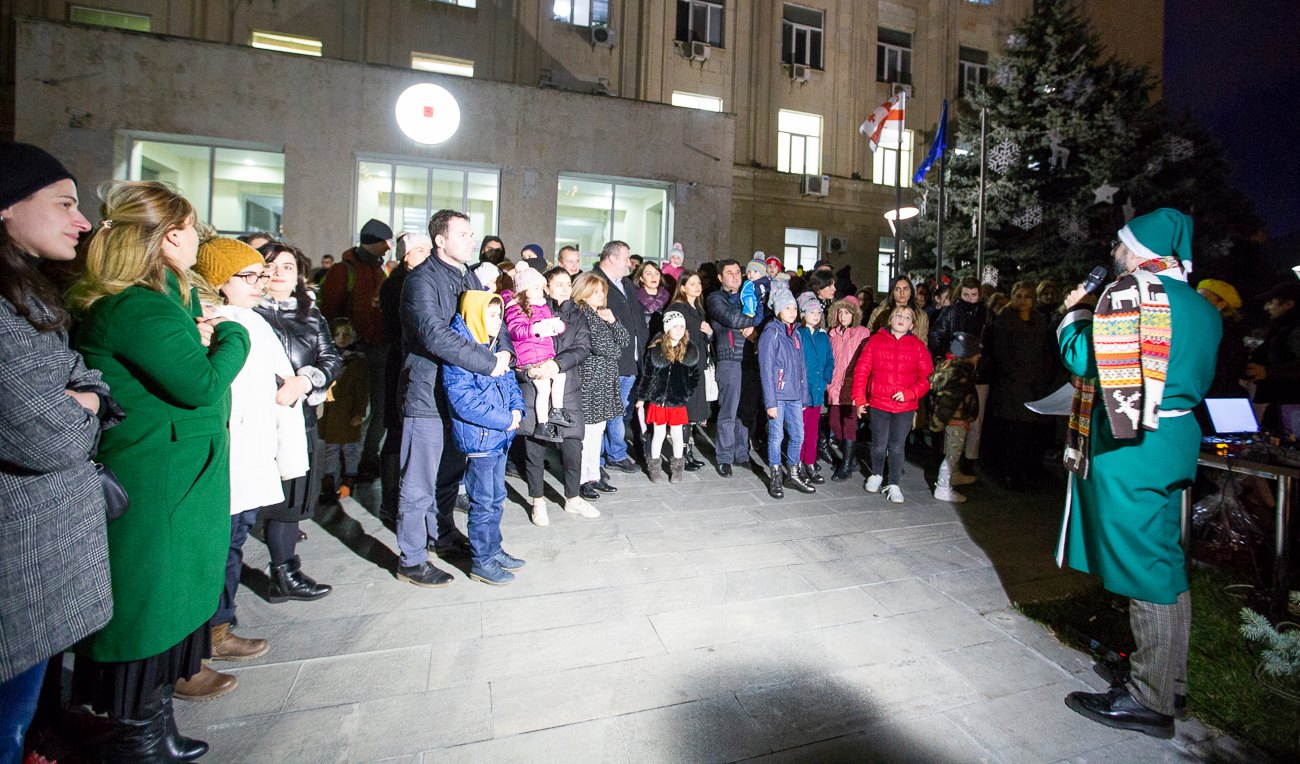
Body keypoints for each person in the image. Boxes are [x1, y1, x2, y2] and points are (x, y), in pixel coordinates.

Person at [69, 181, 250, 758]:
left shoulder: (162, 301)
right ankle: (139, 741)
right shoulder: (139, 307)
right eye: (193, 229)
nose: (198, 240)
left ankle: (156, 728)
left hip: (179, 472)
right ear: (170, 236)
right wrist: (233, 332)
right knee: (150, 606)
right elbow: (199, 384)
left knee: (172, 602)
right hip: (158, 478)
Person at [1059, 209, 1220, 740]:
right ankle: (1169, 681)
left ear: (1140, 251)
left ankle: (1149, 699)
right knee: (1164, 558)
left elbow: (1084, 359)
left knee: (1143, 568)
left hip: (1133, 446)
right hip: (1174, 439)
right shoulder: (1201, 305)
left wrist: (1073, 314)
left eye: (1119, 244)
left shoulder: (1134, 295)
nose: (1114, 252)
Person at [0, 144, 120, 763]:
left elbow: (84, 376)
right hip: (16, 555)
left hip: (38, 555)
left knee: (25, 707)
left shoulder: (28, 294)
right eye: (64, 204)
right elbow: (50, 435)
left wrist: (86, 395)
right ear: (6, 207)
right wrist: (87, 402)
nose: (82, 221)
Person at [194, 237, 309, 674]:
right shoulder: (212, 323)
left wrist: (298, 382)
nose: (262, 282)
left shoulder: (250, 318)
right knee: (220, 544)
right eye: (250, 276)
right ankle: (208, 633)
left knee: (235, 538)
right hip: (230, 448)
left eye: (262, 274)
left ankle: (219, 626)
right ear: (219, 280)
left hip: (254, 445)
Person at [394, 209, 510, 588]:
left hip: (459, 394)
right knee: (418, 484)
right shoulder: (420, 281)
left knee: (448, 477)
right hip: (427, 395)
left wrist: (504, 351)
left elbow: (492, 317)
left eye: (472, 233)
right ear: (440, 240)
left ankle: (441, 536)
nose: (471, 240)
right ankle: (412, 559)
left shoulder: (468, 276)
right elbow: (434, 335)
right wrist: (488, 363)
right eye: (463, 234)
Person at [255, 240, 340, 601]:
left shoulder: (310, 315)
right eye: (270, 266)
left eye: (287, 267)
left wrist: (305, 381)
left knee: (291, 500)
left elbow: (331, 359)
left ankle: (284, 572)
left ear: (298, 276)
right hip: (254, 419)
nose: (279, 273)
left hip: (298, 417)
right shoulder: (245, 313)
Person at [443, 290, 527, 585]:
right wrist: (506, 420)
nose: (497, 321)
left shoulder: (492, 346)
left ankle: (494, 549)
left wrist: (517, 409)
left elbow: (510, 381)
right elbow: (464, 401)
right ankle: (482, 561)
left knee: (496, 497)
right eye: (491, 315)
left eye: (499, 315)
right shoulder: (462, 352)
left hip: (499, 436)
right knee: (482, 501)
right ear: (476, 316)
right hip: (480, 438)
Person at [518, 267, 593, 524]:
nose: (564, 288)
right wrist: (528, 370)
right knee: (535, 448)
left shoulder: (578, 315)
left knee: (572, 446)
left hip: (566, 386)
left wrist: (557, 364)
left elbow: (583, 347)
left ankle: (573, 497)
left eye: (568, 284)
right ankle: (537, 501)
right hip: (535, 383)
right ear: (546, 287)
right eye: (558, 284)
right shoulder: (529, 310)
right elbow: (517, 343)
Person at [320, 218, 392, 479]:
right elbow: (329, 312)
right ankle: (345, 461)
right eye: (385, 242)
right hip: (351, 354)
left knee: (380, 409)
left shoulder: (378, 271)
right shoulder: (343, 271)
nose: (388, 247)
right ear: (375, 242)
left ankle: (366, 458)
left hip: (378, 349)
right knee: (348, 409)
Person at [851, 306, 933, 503]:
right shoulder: (875, 341)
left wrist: (910, 393)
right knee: (879, 444)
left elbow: (927, 377)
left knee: (897, 446)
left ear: (912, 325)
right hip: (879, 403)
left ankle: (894, 483)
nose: (901, 318)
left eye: (907, 317)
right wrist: (860, 399)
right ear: (890, 319)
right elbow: (862, 371)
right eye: (898, 315)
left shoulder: (918, 346)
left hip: (905, 406)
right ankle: (877, 474)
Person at [985, 280, 1053, 488]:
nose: (1023, 301)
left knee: (1030, 431)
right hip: (1012, 385)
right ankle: (1010, 473)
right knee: (1013, 431)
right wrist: (1016, 374)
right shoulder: (1005, 319)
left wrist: (1043, 376)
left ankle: (1027, 471)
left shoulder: (1039, 320)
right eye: (1019, 296)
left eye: (1027, 296)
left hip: (1035, 384)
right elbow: (1001, 352)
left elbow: (1046, 351)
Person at [592, 240, 647, 472]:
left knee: (619, 410)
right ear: (612, 258)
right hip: (609, 360)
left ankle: (612, 454)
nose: (629, 263)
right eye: (626, 258)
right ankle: (606, 457)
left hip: (630, 360)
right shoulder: (594, 281)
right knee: (607, 410)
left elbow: (636, 318)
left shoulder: (626, 283)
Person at [574, 273, 628, 511]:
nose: (600, 295)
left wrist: (613, 320)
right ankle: (581, 479)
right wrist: (614, 343)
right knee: (587, 433)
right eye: (595, 291)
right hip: (591, 381)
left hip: (604, 380)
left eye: (602, 291)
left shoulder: (600, 314)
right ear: (584, 292)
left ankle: (593, 475)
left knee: (598, 430)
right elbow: (607, 348)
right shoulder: (583, 314)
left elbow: (624, 341)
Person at [757, 288, 815, 499]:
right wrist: (770, 402)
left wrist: (804, 396)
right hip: (778, 395)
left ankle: (793, 473)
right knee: (776, 436)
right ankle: (775, 475)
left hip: (795, 395)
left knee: (798, 435)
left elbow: (802, 367)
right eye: (787, 308)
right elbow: (766, 369)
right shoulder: (771, 333)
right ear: (778, 310)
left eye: (794, 308)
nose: (792, 312)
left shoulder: (796, 333)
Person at [504, 262, 569, 442]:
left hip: (544, 354)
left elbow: (551, 323)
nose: (541, 291)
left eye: (541, 287)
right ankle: (543, 423)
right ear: (525, 290)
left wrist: (557, 326)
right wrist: (535, 328)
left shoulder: (542, 306)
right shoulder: (515, 308)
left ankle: (556, 410)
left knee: (559, 376)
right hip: (529, 357)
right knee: (543, 386)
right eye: (536, 288)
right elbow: (515, 331)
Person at [633, 310, 701, 483]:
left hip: (677, 402)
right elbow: (647, 375)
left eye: (681, 326)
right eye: (674, 326)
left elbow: (695, 376)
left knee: (677, 434)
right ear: (667, 329)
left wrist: (686, 391)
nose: (679, 330)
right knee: (659, 433)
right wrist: (642, 397)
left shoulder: (690, 350)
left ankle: (677, 468)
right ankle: (654, 467)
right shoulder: (656, 350)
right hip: (658, 401)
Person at [929, 277, 991, 464]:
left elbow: (992, 342)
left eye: (974, 295)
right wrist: (944, 358)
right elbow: (936, 335)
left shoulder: (986, 314)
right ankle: (942, 457)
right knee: (946, 413)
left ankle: (969, 459)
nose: (970, 299)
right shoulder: (951, 312)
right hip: (953, 370)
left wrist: (983, 360)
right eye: (966, 294)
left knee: (974, 419)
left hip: (977, 372)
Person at [706, 259, 758, 476]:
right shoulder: (715, 298)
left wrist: (756, 324)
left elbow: (761, 314)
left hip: (749, 360)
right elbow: (731, 318)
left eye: (738, 272)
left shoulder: (749, 295)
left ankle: (742, 454)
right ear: (720, 277)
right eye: (730, 273)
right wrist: (754, 323)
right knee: (728, 410)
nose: (736, 276)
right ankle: (724, 457)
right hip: (729, 358)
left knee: (745, 411)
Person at [665, 270, 712, 471]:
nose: (697, 286)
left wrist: (709, 332)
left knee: (692, 413)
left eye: (699, 283)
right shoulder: (678, 308)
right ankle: (681, 455)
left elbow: (703, 336)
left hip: (698, 364)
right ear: (682, 287)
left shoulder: (698, 307)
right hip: (685, 365)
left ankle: (688, 453)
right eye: (692, 283)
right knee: (684, 412)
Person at [319, 318, 369, 501]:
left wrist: (359, 412)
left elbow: (362, 390)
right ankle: (328, 483)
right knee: (331, 449)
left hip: (348, 413)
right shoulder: (327, 358)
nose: (341, 338)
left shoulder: (358, 361)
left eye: (346, 334)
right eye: (337, 334)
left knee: (349, 449)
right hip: (331, 413)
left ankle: (348, 482)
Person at [928, 332, 981, 503]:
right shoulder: (959, 375)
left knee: (955, 450)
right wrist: (939, 423)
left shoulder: (953, 369)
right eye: (976, 353)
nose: (979, 356)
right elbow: (948, 403)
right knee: (952, 454)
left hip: (957, 420)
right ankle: (943, 487)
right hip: (955, 421)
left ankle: (955, 474)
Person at [825, 296, 870, 481]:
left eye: (847, 312)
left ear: (855, 315)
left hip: (852, 386)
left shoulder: (862, 333)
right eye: (840, 312)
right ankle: (851, 459)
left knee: (849, 424)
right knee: (834, 423)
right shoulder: (832, 334)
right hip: (835, 386)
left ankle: (846, 465)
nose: (843, 316)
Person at [1246, 282, 1300, 432]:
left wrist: (1269, 372)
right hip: (1284, 404)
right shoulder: (1283, 328)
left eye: (1271, 302)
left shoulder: (1295, 331)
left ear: (1289, 304)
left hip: (1291, 408)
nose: (1266, 307)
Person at [796, 292, 834, 485]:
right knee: (799, 431)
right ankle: (797, 463)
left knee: (813, 431)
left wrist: (826, 378)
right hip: (802, 391)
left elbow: (829, 360)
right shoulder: (798, 334)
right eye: (811, 312)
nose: (816, 315)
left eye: (818, 312)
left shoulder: (822, 336)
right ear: (803, 314)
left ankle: (809, 462)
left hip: (817, 391)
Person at [1194, 279, 1248, 400]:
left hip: (1213, 397)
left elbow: (1225, 371)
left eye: (1202, 298)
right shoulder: (1204, 328)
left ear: (1222, 304)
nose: (1195, 301)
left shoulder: (1226, 333)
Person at [867, 275, 929, 347]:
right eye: (897, 289)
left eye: (905, 289)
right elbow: (869, 336)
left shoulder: (921, 315)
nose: (902, 292)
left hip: (911, 352)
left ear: (911, 292)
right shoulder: (879, 312)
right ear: (892, 292)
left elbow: (923, 342)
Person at [633, 259, 670, 324]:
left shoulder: (668, 297)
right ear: (641, 278)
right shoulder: (633, 296)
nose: (653, 277)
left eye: (656, 273)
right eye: (649, 274)